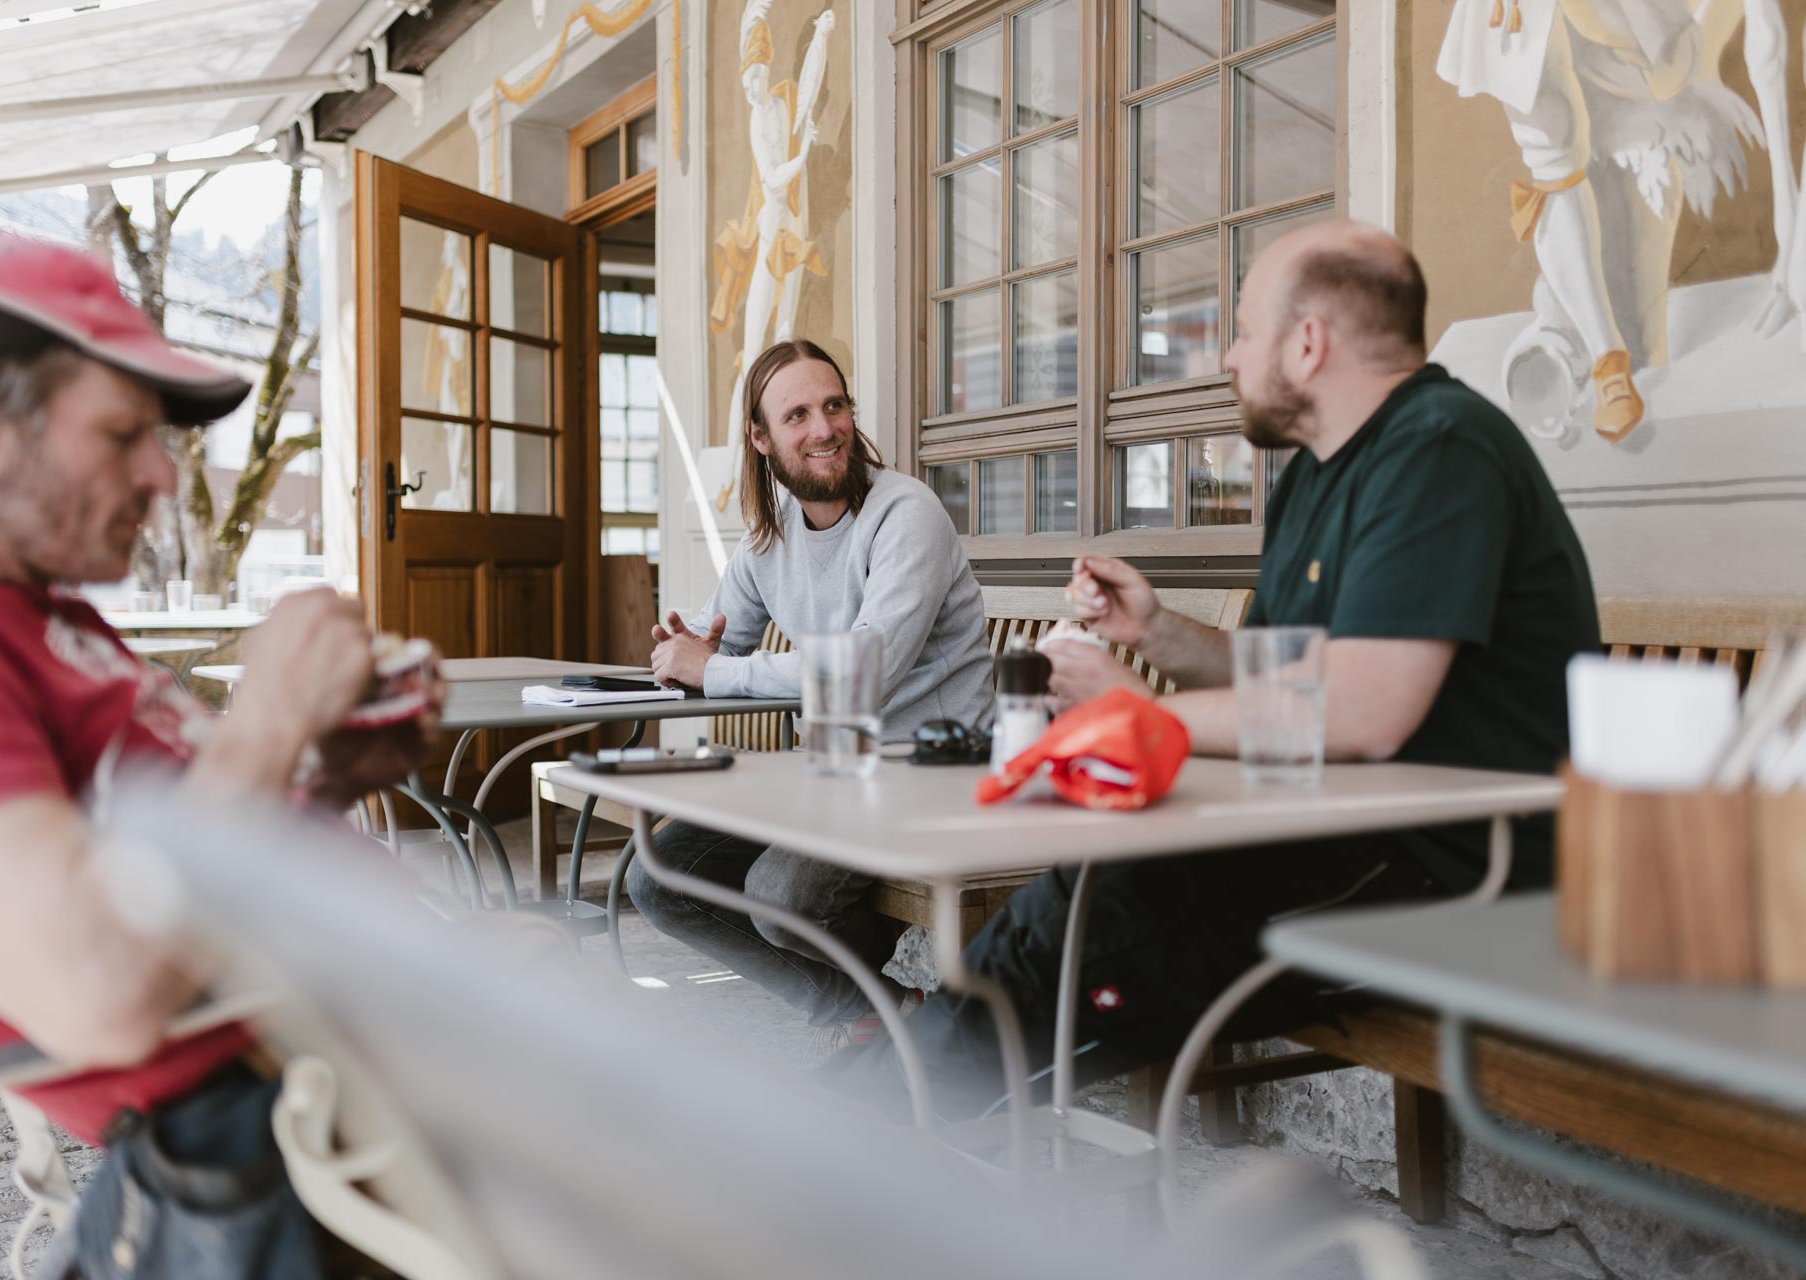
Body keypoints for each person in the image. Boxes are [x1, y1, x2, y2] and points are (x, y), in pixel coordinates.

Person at [837, 220, 1601, 1117]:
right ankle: (862, 1134)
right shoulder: (1318, 471)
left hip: (1456, 874)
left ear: (1308, 343)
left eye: (1242, 331)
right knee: (1076, 905)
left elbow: (1364, 712)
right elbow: (1282, 675)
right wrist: (1158, 635)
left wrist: (1137, 715)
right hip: (1337, 837)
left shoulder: (1441, 445)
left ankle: (852, 1153)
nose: (1227, 360)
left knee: (1088, 935)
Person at [0, 236, 440, 1276]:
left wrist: (319, 763)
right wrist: (267, 718)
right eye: (122, 431)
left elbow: (168, 833)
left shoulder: (25, 610)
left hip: (392, 1094)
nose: (159, 471)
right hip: (325, 1162)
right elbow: (100, 983)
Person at [628, 338, 994, 1054]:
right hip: (835, 775)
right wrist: (680, 652)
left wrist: (713, 668)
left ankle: (889, 1026)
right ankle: (885, 1011)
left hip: (933, 775)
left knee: (779, 894)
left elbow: (866, 669)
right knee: (656, 877)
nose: (823, 428)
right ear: (761, 439)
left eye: (834, 406)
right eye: (797, 415)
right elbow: (720, 639)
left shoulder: (905, 515)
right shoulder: (770, 537)